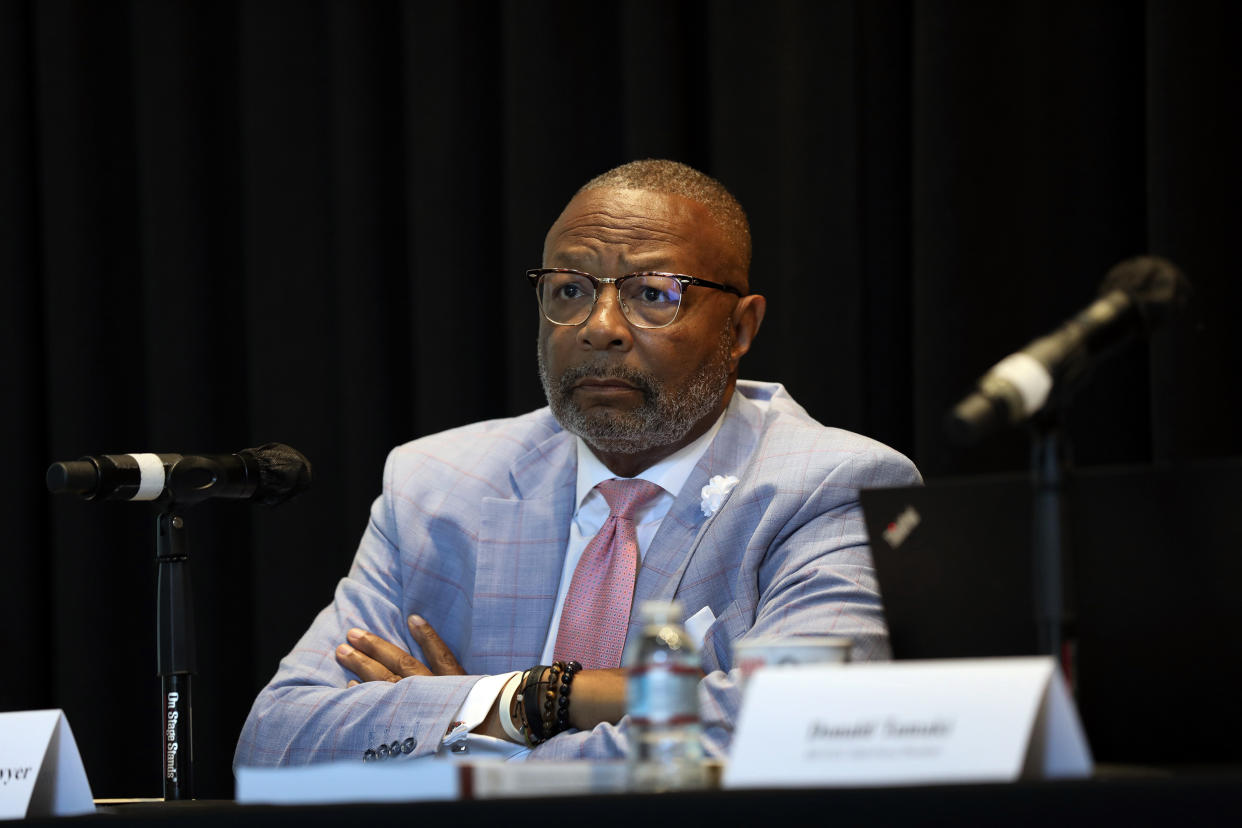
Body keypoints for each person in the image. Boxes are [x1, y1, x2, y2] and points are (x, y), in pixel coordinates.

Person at [234, 159, 920, 766]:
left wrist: (477, 728)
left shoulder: (831, 487)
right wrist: (538, 699)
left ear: (740, 328)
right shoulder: (439, 483)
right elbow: (277, 740)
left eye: (655, 293)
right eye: (569, 289)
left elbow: (789, 731)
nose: (600, 326)